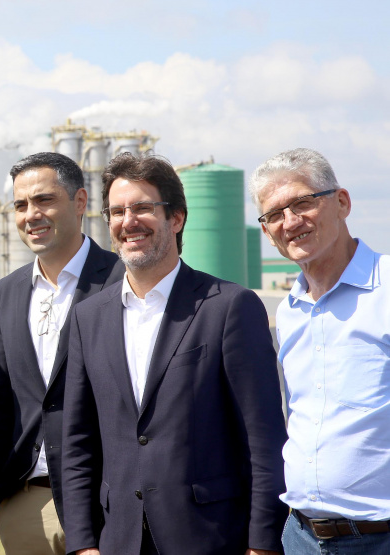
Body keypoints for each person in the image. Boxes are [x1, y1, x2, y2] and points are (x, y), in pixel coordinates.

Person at [61, 152, 288, 555]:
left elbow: (263, 440)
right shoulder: (86, 317)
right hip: (119, 542)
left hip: (210, 538)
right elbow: (78, 442)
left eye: (143, 208)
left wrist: (264, 543)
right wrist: (82, 544)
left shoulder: (229, 306)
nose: (128, 221)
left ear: (177, 218)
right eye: (116, 211)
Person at [0, 152, 123, 555]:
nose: (31, 215)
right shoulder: (6, 293)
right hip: (26, 503)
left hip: (106, 503)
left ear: (79, 202)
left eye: (44, 200)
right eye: (21, 205)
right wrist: (2, 495)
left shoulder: (122, 279)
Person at [250, 148, 390, 554]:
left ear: (342, 202)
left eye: (303, 202)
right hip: (301, 537)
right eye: (274, 214)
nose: (290, 222)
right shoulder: (289, 312)